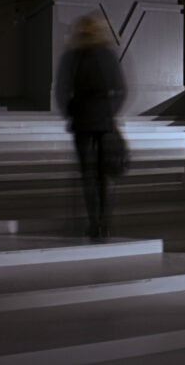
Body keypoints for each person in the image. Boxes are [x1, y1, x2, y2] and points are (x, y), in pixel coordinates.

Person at [56, 15, 126, 239]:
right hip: (104, 121)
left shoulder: (72, 56)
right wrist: (110, 111)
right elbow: (121, 88)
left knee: (87, 175)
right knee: (103, 175)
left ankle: (94, 222)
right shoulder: (108, 55)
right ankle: (104, 223)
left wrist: (70, 112)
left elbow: (62, 89)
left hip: (82, 120)